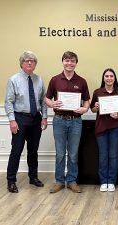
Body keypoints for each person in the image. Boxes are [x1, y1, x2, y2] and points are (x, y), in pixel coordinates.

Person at [45, 51, 90, 193]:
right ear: (63, 62)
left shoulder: (81, 81)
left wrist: (84, 109)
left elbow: (87, 101)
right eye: (67, 60)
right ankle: (59, 181)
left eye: (72, 61)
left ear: (76, 63)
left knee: (73, 153)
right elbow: (46, 98)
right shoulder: (55, 80)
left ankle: (71, 180)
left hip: (76, 121)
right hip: (59, 120)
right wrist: (52, 104)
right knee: (60, 153)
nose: (69, 63)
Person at [4, 51, 48, 193]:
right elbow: (8, 102)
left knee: (33, 151)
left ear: (35, 64)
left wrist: (45, 117)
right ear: (22, 63)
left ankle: (33, 177)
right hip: (20, 118)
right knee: (16, 151)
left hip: (36, 118)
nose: (30, 63)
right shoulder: (13, 80)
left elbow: (43, 101)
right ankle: (11, 181)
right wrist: (12, 121)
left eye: (32, 61)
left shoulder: (39, 80)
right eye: (27, 60)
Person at [90, 68, 118, 192]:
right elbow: (93, 110)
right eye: (107, 76)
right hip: (101, 127)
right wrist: (96, 107)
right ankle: (103, 181)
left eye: (111, 76)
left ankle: (111, 181)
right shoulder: (97, 92)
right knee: (103, 155)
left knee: (113, 155)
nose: (109, 78)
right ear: (103, 78)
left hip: (115, 128)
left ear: (114, 78)